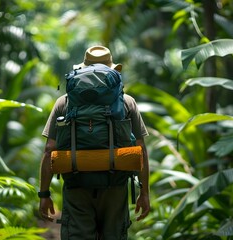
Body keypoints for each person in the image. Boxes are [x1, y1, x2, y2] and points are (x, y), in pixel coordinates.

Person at [38, 45, 150, 239]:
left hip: (76, 186)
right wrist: (145, 192)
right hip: (115, 185)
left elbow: (49, 150)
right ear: (112, 70)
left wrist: (44, 194)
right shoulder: (127, 103)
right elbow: (140, 149)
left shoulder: (64, 103)